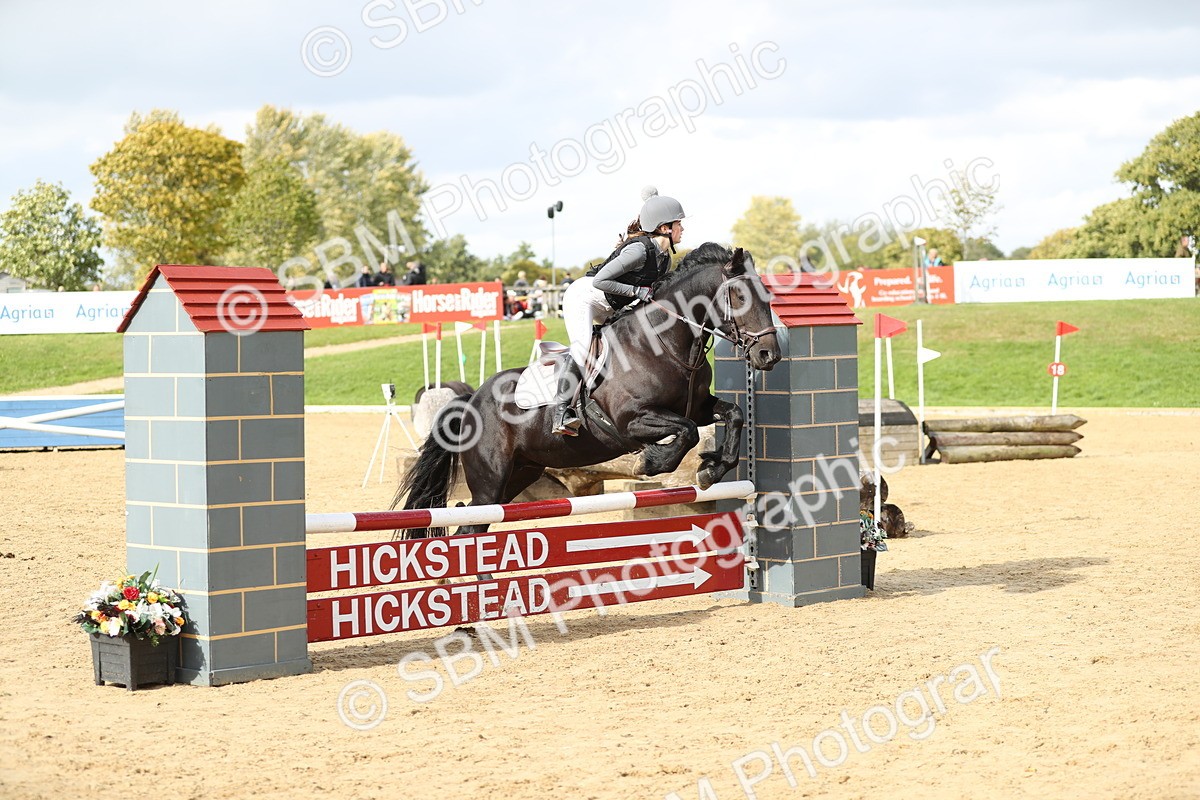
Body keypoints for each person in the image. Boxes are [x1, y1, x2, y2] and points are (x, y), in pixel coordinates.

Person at [551, 186, 685, 436]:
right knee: (583, 348)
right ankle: (561, 413)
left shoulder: (664, 258)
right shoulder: (639, 250)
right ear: (665, 227)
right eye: (679, 224)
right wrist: (636, 292)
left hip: (612, 305)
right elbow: (600, 280)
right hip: (586, 298)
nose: (682, 229)